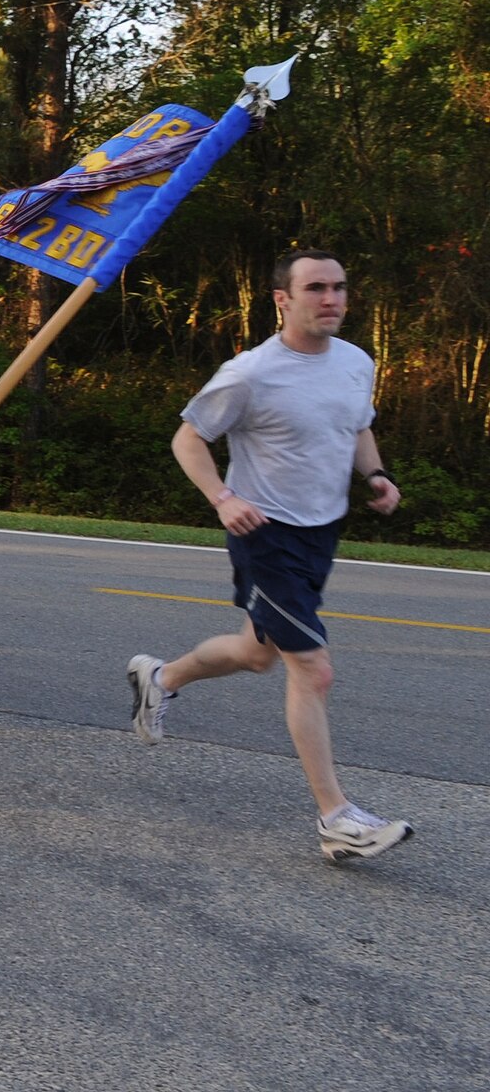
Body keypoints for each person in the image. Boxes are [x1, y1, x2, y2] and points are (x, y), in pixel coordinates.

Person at [128, 249, 412, 863]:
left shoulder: (356, 362)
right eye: (316, 288)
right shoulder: (250, 372)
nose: (331, 298)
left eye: (338, 287)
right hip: (265, 533)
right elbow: (188, 437)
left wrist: (377, 476)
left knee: (258, 654)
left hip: (321, 531)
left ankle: (161, 678)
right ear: (283, 299)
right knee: (312, 669)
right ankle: (337, 818)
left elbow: (357, 426)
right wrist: (222, 497)